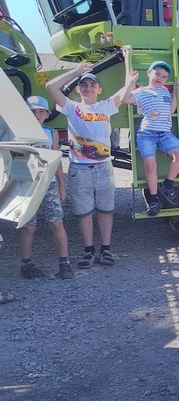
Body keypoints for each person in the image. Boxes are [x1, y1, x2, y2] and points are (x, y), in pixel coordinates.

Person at [47, 62, 137, 269]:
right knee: (84, 212)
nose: (88, 88)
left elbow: (124, 92)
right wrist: (76, 72)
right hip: (79, 169)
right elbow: (51, 86)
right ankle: (89, 250)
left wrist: (130, 74)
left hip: (103, 167)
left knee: (106, 210)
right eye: (84, 85)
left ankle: (106, 249)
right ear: (78, 89)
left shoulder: (106, 106)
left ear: (99, 89)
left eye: (92, 85)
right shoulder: (71, 107)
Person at [17, 96, 72, 280]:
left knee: (56, 222)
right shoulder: (18, 133)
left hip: (49, 183)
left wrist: (62, 185)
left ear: (47, 115)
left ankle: (65, 263)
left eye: (41, 112)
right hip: (26, 184)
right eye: (32, 112)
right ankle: (26, 264)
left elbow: (56, 160)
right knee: (28, 226)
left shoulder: (51, 133)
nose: (37, 115)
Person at [125, 60, 179, 216]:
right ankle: (153, 200)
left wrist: (175, 93)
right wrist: (131, 81)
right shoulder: (142, 91)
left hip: (164, 134)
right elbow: (126, 99)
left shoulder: (165, 91)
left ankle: (167, 185)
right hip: (147, 134)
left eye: (164, 76)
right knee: (150, 164)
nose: (160, 78)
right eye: (157, 74)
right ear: (148, 73)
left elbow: (171, 110)